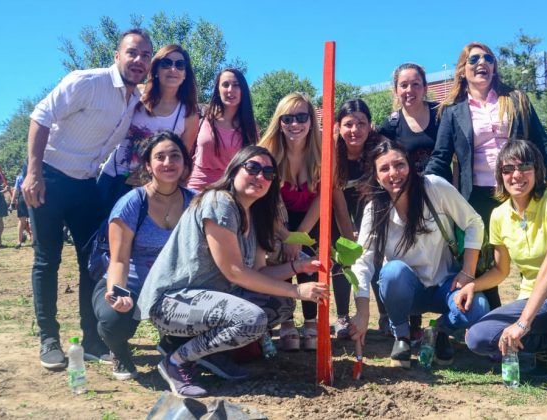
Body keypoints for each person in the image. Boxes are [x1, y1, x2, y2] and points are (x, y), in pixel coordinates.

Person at [135, 145, 328, 397]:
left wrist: (298, 267)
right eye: (253, 168)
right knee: (251, 319)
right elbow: (235, 272)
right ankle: (176, 361)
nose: (260, 177)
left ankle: (211, 355)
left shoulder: (255, 214)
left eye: (268, 173)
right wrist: (297, 289)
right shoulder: (219, 202)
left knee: (280, 304)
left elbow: (258, 274)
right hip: (172, 302)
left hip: (208, 300)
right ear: (235, 169)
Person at [22, 29, 153, 369]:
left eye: (145, 55)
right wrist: (33, 173)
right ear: (117, 55)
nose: (139, 60)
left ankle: (92, 338)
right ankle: (49, 339)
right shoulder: (87, 82)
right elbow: (40, 116)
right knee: (47, 260)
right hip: (49, 177)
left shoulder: (136, 100)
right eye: (132, 53)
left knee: (93, 262)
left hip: (85, 185)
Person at [425, 41, 547, 310]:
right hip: (477, 194)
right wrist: (425, 187)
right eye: (474, 59)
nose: (482, 63)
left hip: (519, 190)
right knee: (480, 261)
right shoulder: (453, 111)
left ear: (494, 67)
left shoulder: (516, 100)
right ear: (462, 70)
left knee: (532, 255)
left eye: (488, 58)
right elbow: (441, 156)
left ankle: (544, 319)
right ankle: (489, 322)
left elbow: (541, 141)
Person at [460, 140, 547, 396]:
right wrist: (473, 284)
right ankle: (545, 343)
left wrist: (523, 323)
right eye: (507, 169)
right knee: (478, 337)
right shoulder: (499, 215)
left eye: (524, 166)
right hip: (537, 302)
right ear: (499, 176)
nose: (516, 175)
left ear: (537, 170)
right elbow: (501, 270)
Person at [348, 139, 489, 368]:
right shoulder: (375, 209)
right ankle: (401, 335)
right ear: (376, 177)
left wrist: (468, 272)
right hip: (405, 291)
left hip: (446, 285)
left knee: (479, 308)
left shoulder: (434, 187)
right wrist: (362, 312)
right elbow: (362, 262)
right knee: (392, 272)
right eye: (384, 168)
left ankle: (438, 332)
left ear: (410, 166)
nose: (394, 173)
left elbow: (474, 222)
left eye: (399, 164)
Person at [93, 132, 194, 381]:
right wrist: (119, 293)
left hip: (172, 290)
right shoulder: (132, 203)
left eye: (175, 156)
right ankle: (119, 350)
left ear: (184, 163)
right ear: (148, 165)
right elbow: (118, 259)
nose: (168, 162)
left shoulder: (195, 202)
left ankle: (171, 342)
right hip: (133, 284)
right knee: (114, 320)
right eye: (160, 157)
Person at [98, 43, 200, 214]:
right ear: (156, 70)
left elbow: (183, 161)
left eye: (180, 65)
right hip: (113, 179)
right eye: (166, 63)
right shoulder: (137, 96)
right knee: (97, 237)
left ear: (185, 74)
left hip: (151, 190)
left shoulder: (189, 114)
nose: (173, 69)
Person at [258, 92, 323, 351]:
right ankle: (285, 321)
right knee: (281, 258)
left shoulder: (321, 152)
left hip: (308, 219)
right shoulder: (267, 152)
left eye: (301, 117)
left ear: (310, 119)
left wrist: (298, 238)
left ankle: (310, 320)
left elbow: (322, 199)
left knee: (309, 260)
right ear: (279, 121)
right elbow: (262, 202)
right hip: (275, 218)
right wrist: (286, 237)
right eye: (287, 118)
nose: (294, 124)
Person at [378, 62, 439, 340]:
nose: (410, 90)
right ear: (396, 90)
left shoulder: (442, 114)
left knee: (445, 256)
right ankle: (411, 325)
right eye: (404, 85)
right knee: (409, 256)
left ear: (425, 87)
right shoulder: (392, 125)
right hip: (408, 200)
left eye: (416, 84)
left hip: (441, 198)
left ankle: (452, 319)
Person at [331, 99, 382, 339]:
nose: (355, 130)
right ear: (338, 127)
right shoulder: (332, 152)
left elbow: (376, 196)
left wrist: (363, 237)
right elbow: (337, 199)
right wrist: (346, 235)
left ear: (370, 126)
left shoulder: (377, 148)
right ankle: (342, 315)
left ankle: (385, 315)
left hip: (369, 204)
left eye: (361, 124)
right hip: (337, 207)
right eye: (349, 124)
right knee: (342, 256)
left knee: (374, 255)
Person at [187, 68, 259, 191]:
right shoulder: (201, 116)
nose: (230, 90)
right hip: (195, 189)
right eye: (225, 85)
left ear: (243, 91)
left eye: (236, 85)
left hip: (229, 192)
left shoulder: (251, 128)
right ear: (218, 90)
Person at [10, 170, 32, 249]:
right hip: (31, 197)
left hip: (22, 198)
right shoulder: (33, 174)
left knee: (21, 221)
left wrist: (12, 202)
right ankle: (34, 240)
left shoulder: (20, 177)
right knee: (32, 220)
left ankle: (19, 241)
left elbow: (16, 190)